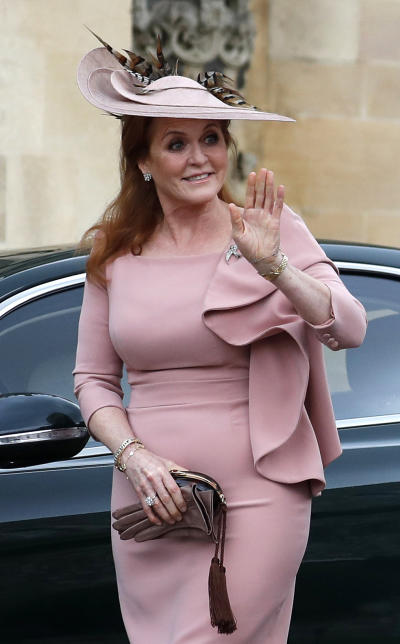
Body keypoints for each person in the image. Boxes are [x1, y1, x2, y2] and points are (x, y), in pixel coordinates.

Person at [72, 37, 366, 642]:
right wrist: (135, 457)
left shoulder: (268, 228)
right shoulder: (113, 252)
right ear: (144, 162)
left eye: (212, 138)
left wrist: (275, 267)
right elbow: (93, 381)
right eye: (176, 143)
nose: (199, 157)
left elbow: (348, 327)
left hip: (260, 491)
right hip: (153, 498)